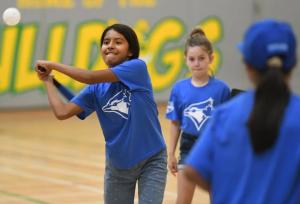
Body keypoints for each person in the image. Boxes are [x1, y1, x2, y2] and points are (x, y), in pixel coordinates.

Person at [35, 23, 168, 204]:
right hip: (117, 166)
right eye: (106, 42)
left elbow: (89, 77)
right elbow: (62, 112)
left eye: (118, 42)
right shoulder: (95, 90)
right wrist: (48, 82)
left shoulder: (137, 68)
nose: (110, 45)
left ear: (130, 51)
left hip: (151, 159)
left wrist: (52, 65)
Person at [184, 19, 300, 204]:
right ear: (294, 62)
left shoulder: (224, 115)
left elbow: (192, 169)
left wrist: (228, 192)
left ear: (247, 65)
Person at [165, 27, 230, 204]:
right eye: (192, 59)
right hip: (188, 147)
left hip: (214, 146)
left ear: (211, 58)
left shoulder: (222, 88)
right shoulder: (179, 88)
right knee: (183, 200)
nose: (197, 63)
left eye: (201, 58)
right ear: (185, 60)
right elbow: (175, 123)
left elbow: (226, 124)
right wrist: (171, 153)